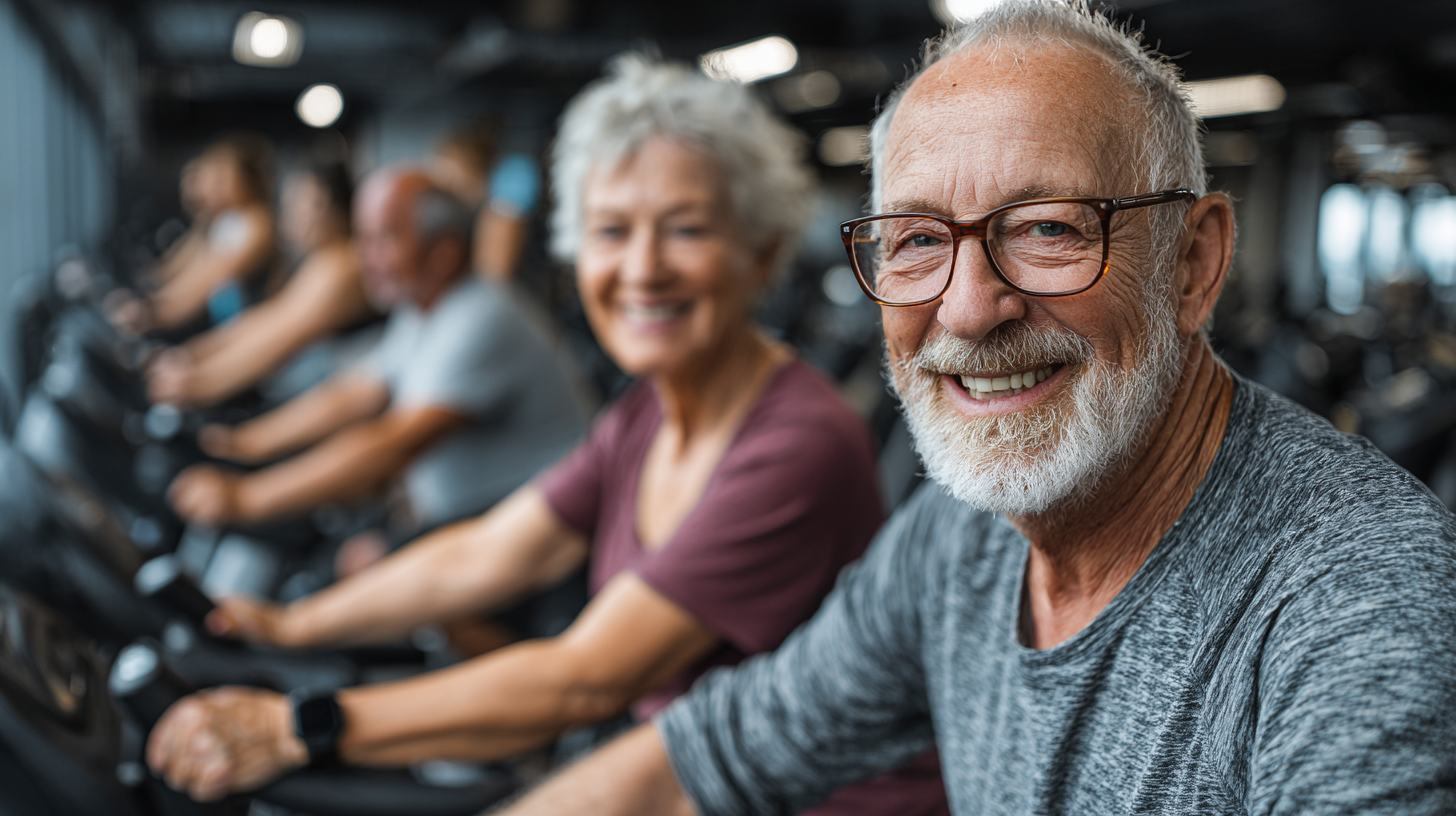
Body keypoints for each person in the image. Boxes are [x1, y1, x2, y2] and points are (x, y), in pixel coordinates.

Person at [497, 4, 1456, 815]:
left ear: (1193, 265)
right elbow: (705, 759)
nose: (966, 309)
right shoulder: (956, 541)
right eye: (917, 241)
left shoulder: (1358, 600)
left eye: (1046, 228)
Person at [143, 55, 948, 814]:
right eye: (611, 231)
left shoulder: (797, 443)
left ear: (761, 253)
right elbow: (484, 554)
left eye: (686, 229)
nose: (642, 269)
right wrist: (292, 626)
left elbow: (584, 679)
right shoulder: (643, 414)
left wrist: (296, 727)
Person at [165, 169, 588, 535]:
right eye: (363, 239)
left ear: (444, 252)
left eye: (383, 239)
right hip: (464, 523)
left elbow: (392, 444)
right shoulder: (421, 309)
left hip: (535, 541)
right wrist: (246, 442)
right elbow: (353, 394)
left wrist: (247, 497)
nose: (367, 259)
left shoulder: (481, 317)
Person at [146, 162, 375, 408]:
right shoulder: (322, 259)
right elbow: (264, 320)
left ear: (342, 212)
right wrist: (190, 356)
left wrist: (199, 385)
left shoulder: (342, 266)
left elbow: (278, 340)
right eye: (290, 203)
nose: (294, 214)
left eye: (311, 204)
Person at [111, 133, 278, 333]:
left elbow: (201, 285)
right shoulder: (222, 221)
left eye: (222, 180)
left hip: (238, 332)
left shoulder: (256, 222)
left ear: (246, 181)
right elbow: (168, 274)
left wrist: (148, 312)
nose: (210, 188)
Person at [430, 122, 543, 283]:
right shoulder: (479, 206)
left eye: (449, 178)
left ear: (468, 160)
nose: (446, 187)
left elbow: (493, 273)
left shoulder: (513, 173)